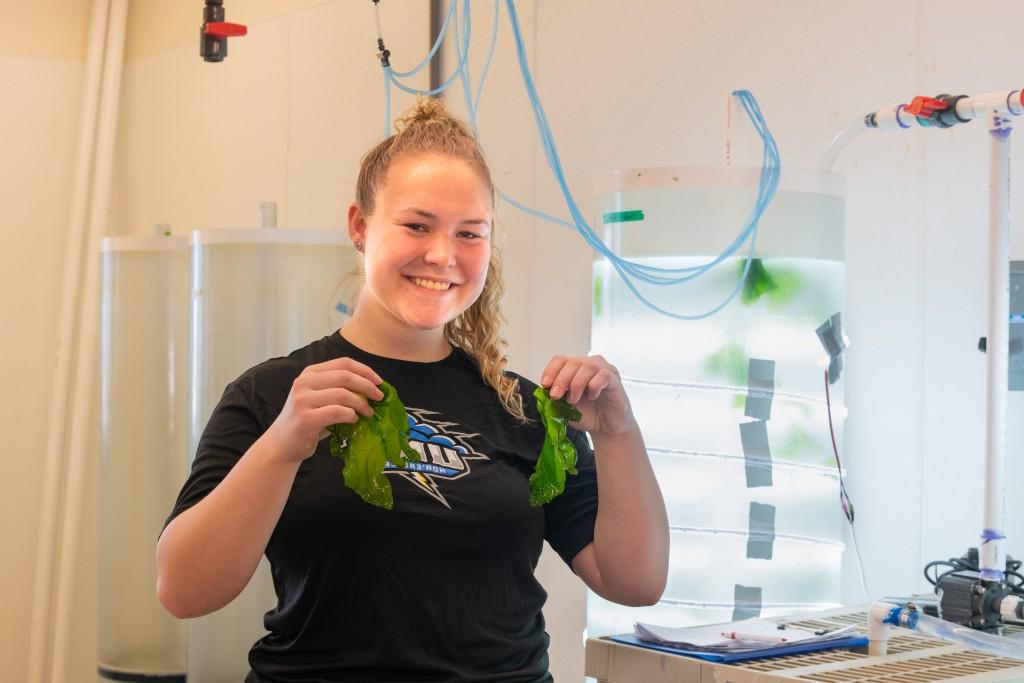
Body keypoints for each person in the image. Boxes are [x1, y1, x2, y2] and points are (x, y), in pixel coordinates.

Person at [156, 98, 668, 683]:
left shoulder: (524, 410)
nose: (442, 255)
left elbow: (635, 583)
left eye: (469, 233)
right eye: (417, 225)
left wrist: (620, 434)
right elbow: (184, 591)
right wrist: (281, 445)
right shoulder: (275, 396)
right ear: (359, 226)